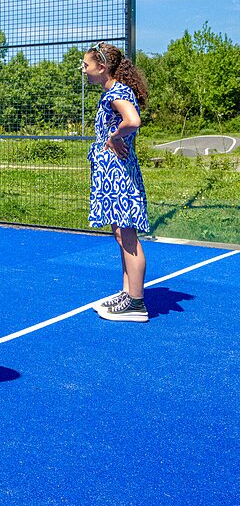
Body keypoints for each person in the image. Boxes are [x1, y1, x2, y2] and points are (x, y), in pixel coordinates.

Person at [84, 42, 151, 323]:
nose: (83, 70)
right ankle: (127, 293)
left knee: (128, 236)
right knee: (120, 234)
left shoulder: (118, 93)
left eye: (86, 65)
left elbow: (133, 121)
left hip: (120, 174)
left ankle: (136, 303)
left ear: (101, 67)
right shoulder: (112, 92)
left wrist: (114, 138)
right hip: (112, 174)